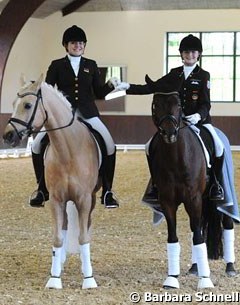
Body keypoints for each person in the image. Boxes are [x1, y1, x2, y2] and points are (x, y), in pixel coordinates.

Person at [116, 34, 225, 210]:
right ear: (181, 54)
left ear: (199, 54)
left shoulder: (204, 75)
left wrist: (198, 116)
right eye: (186, 52)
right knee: (148, 146)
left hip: (199, 122)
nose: (189, 55)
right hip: (176, 123)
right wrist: (128, 87)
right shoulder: (174, 74)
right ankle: (155, 186)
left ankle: (216, 185)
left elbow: (206, 103)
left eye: (193, 52)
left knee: (218, 147)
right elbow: (152, 87)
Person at [29, 25, 120, 209]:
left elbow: (99, 93)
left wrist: (110, 85)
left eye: (80, 43)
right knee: (37, 145)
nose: (77, 45)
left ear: (84, 45)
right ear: (66, 45)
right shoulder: (56, 65)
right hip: (62, 117)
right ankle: (41, 189)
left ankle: (108, 191)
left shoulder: (91, 65)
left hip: (87, 113)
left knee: (109, 144)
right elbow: (48, 90)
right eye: (73, 43)